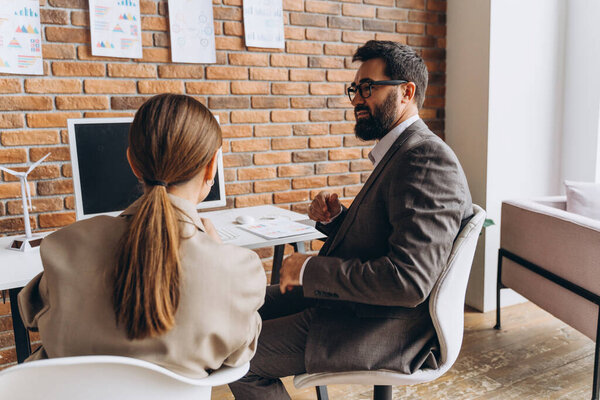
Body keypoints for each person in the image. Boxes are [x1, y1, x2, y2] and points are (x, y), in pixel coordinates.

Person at [229, 40, 473, 399]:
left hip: (383, 327)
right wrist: (338, 220)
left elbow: (408, 281)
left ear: (407, 92)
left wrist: (309, 270)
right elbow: (387, 242)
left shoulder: (426, 160)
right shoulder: (403, 153)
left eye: (368, 87)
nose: (358, 98)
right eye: (355, 89)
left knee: (236, 354)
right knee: (241, 305)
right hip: (360, 307)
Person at [18, 93, 266, 378]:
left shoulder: (63, 245)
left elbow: (30, 314)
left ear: (132, 163)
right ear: (212, 166)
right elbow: (240, 351)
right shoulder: (238, 270)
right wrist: (216, 252)